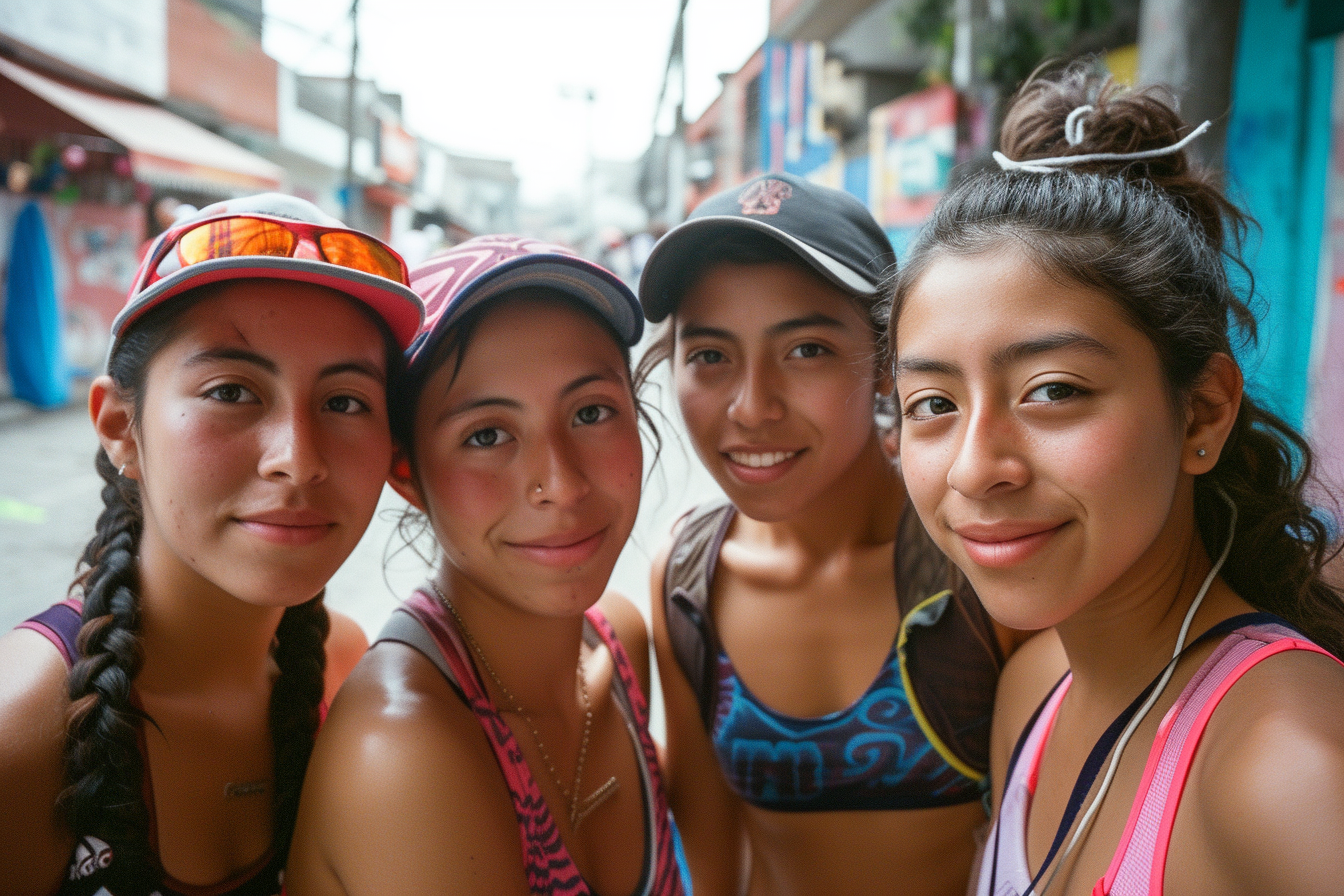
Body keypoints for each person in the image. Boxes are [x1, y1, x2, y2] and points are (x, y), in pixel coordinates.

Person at [886, 66, 1344, 896]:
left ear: (1203, 413)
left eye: (1053, 391)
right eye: (932, 403)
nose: (975, 467)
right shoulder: (1034, 690)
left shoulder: (1290, 767)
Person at [0, 192, 424, 896]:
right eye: (231, 391)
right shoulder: (24, 730)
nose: (298, 457)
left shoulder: (345, 669)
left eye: (345, 401)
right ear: (119, 428)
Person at [635, 171, 1025, 896]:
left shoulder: (975, 558)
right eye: (711, 356)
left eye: (805, 349)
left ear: (885, 362)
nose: (751, 408)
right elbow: (710, 859)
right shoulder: (689, 576)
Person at [286, 235, 686, 896]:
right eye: (487, 435)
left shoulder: (618, 643)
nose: (560, 483)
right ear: (406, 472)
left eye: (590, 412)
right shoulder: (405, 747)